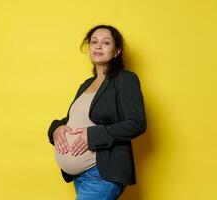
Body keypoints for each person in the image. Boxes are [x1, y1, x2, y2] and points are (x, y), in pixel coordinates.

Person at [47, 24, 146, 200]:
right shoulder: (86, 84)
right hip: (80, 177)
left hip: (102, 173)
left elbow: (136, 123)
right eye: (94, 42)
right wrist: (56, 128)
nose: (98, 46)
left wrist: (91, 136)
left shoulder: (125, 79)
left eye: (106, 42)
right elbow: (73, 119)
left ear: (116, 51)